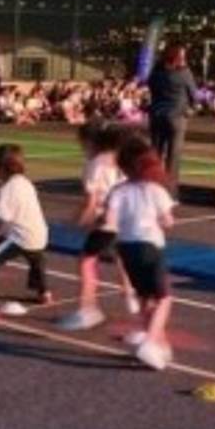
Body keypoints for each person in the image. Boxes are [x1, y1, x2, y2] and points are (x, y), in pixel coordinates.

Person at [56, 121, 136, 332]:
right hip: (126, 218)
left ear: (90, 141)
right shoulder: (121, 161)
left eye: (81, 142)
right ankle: (130, 294)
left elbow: (91, 202)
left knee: (86, 261)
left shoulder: (95, 164)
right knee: (121, 256)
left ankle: (87, 308)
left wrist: (79, 221)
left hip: (105, 220)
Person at [106, 137, 178, 371]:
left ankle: (159, 343)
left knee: (147, 298)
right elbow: (168, 222)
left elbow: (110, 222)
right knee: (164, 299)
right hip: (150, 246)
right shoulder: (155, 190)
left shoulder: (118, 191)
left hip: (126, 249)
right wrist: (163, 219)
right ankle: (150, 341)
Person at [0, 144, 51, 324]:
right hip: (40, 234)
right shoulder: (25, 182)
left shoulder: (6, 190)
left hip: (22, 237)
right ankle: (44, 292)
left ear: (1, 168)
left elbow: (0, 223)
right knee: (36, 257)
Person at [146, 42, 197, 197]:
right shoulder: (184, 73)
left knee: (155, 152)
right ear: (177, 58)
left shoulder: (156, 73)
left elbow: (151, 88)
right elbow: (193, 94)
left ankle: (150, 187)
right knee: (173, 156)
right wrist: (192, 108)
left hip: (156, 115)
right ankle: (169, 193)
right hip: (176, 117)